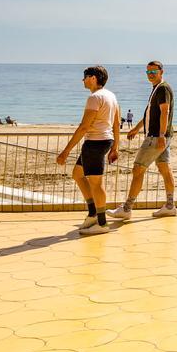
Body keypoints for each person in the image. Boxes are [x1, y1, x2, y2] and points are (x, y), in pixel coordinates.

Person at [55, 65, 120, 235]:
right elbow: (116, 124)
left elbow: (84, 127)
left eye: (84, 76)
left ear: (93, 78)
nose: (82, 80)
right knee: (77, 174)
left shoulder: (95, 98)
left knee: (96, 183)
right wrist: (115, 146)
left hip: (95, 143)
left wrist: (66, 151)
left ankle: (102, 223)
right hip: (103, 141)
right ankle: (92, 213)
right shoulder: (111, 96)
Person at [109, 61, 177, 220]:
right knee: (165, 169)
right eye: (148, 72)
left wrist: (160, 135)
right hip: (162, 136)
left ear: (161, 71)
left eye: (154, 71)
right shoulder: (156, 89)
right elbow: (150, 113)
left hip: (156, 137)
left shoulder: (163, 88)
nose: (151, 75)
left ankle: (127, 208)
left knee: (138, 169)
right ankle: (170, 206)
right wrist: (137, 128)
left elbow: (164, 112)